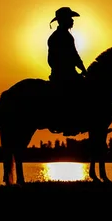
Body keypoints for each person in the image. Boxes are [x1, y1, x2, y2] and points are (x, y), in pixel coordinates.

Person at [47, 7, 88, 136]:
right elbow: (72, 55)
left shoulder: (62, 36)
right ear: (63, 20)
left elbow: (72, 56)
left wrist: (80, 68)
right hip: (64, 74)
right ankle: (71, 124)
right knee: (79, 93)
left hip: (64, 72)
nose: (72, 21)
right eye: (70, 18)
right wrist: (82, 68)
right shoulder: (62, 37)